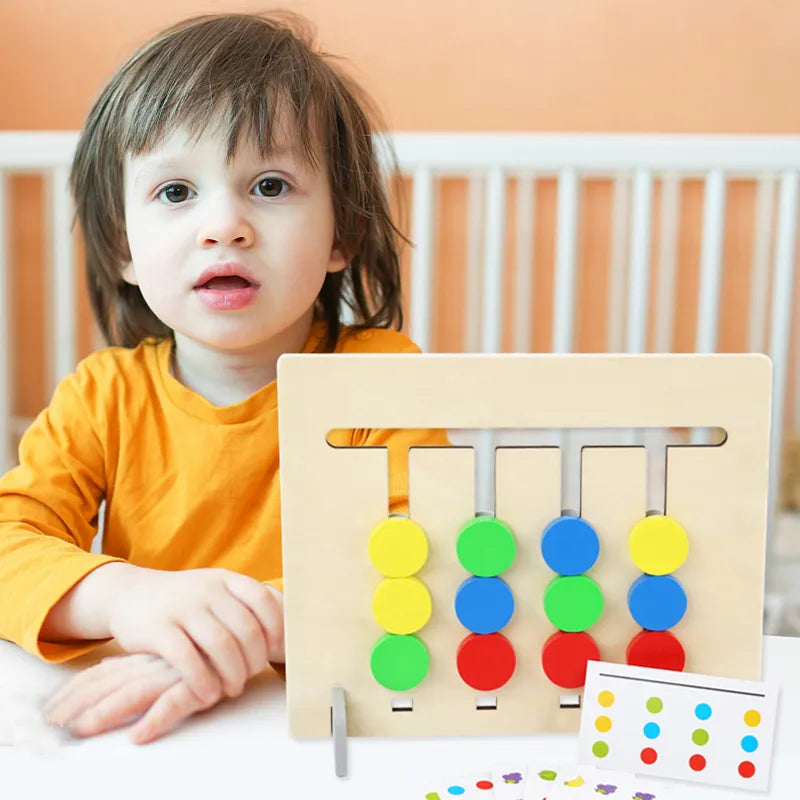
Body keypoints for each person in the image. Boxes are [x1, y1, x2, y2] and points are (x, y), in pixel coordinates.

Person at [0, 11, 447, 744]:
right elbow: (8, 538)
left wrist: (230, 637)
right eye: (176, 193)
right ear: (124, 250)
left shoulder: (379, 381)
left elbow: (419, 565)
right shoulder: (102, 398)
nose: (224, 225)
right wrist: (125, 599)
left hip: (325, 719)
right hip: (145, 725)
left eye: (269, 184)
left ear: (344, 234)